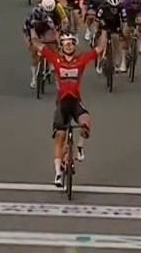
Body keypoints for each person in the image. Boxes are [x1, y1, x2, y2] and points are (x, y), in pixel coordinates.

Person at [32, 31, 105, 187]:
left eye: (71, 43)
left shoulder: (81, 60)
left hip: (75, 101)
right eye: (66, 44)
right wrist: (33, 32)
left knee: (86, 121)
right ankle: (58, 173)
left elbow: (99, 49)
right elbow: (39, 45)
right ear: (62, 47)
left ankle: (79, 147)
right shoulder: (56, 59)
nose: (69, 46)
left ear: (74, 46)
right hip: (62, 103)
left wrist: (104, 31)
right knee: (60, 136)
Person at [23, 0, 59, 87]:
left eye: (50, 11)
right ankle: (34, 77)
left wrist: (58, 40)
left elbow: (58, 27)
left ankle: (52, 66)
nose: (48, 13)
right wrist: (30, 41)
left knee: (53, 45)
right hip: (34, 28)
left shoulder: (57, 10)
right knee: (34, 51)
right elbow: (29, 29)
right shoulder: (34, 12)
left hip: (48, 28)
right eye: (47, 11)